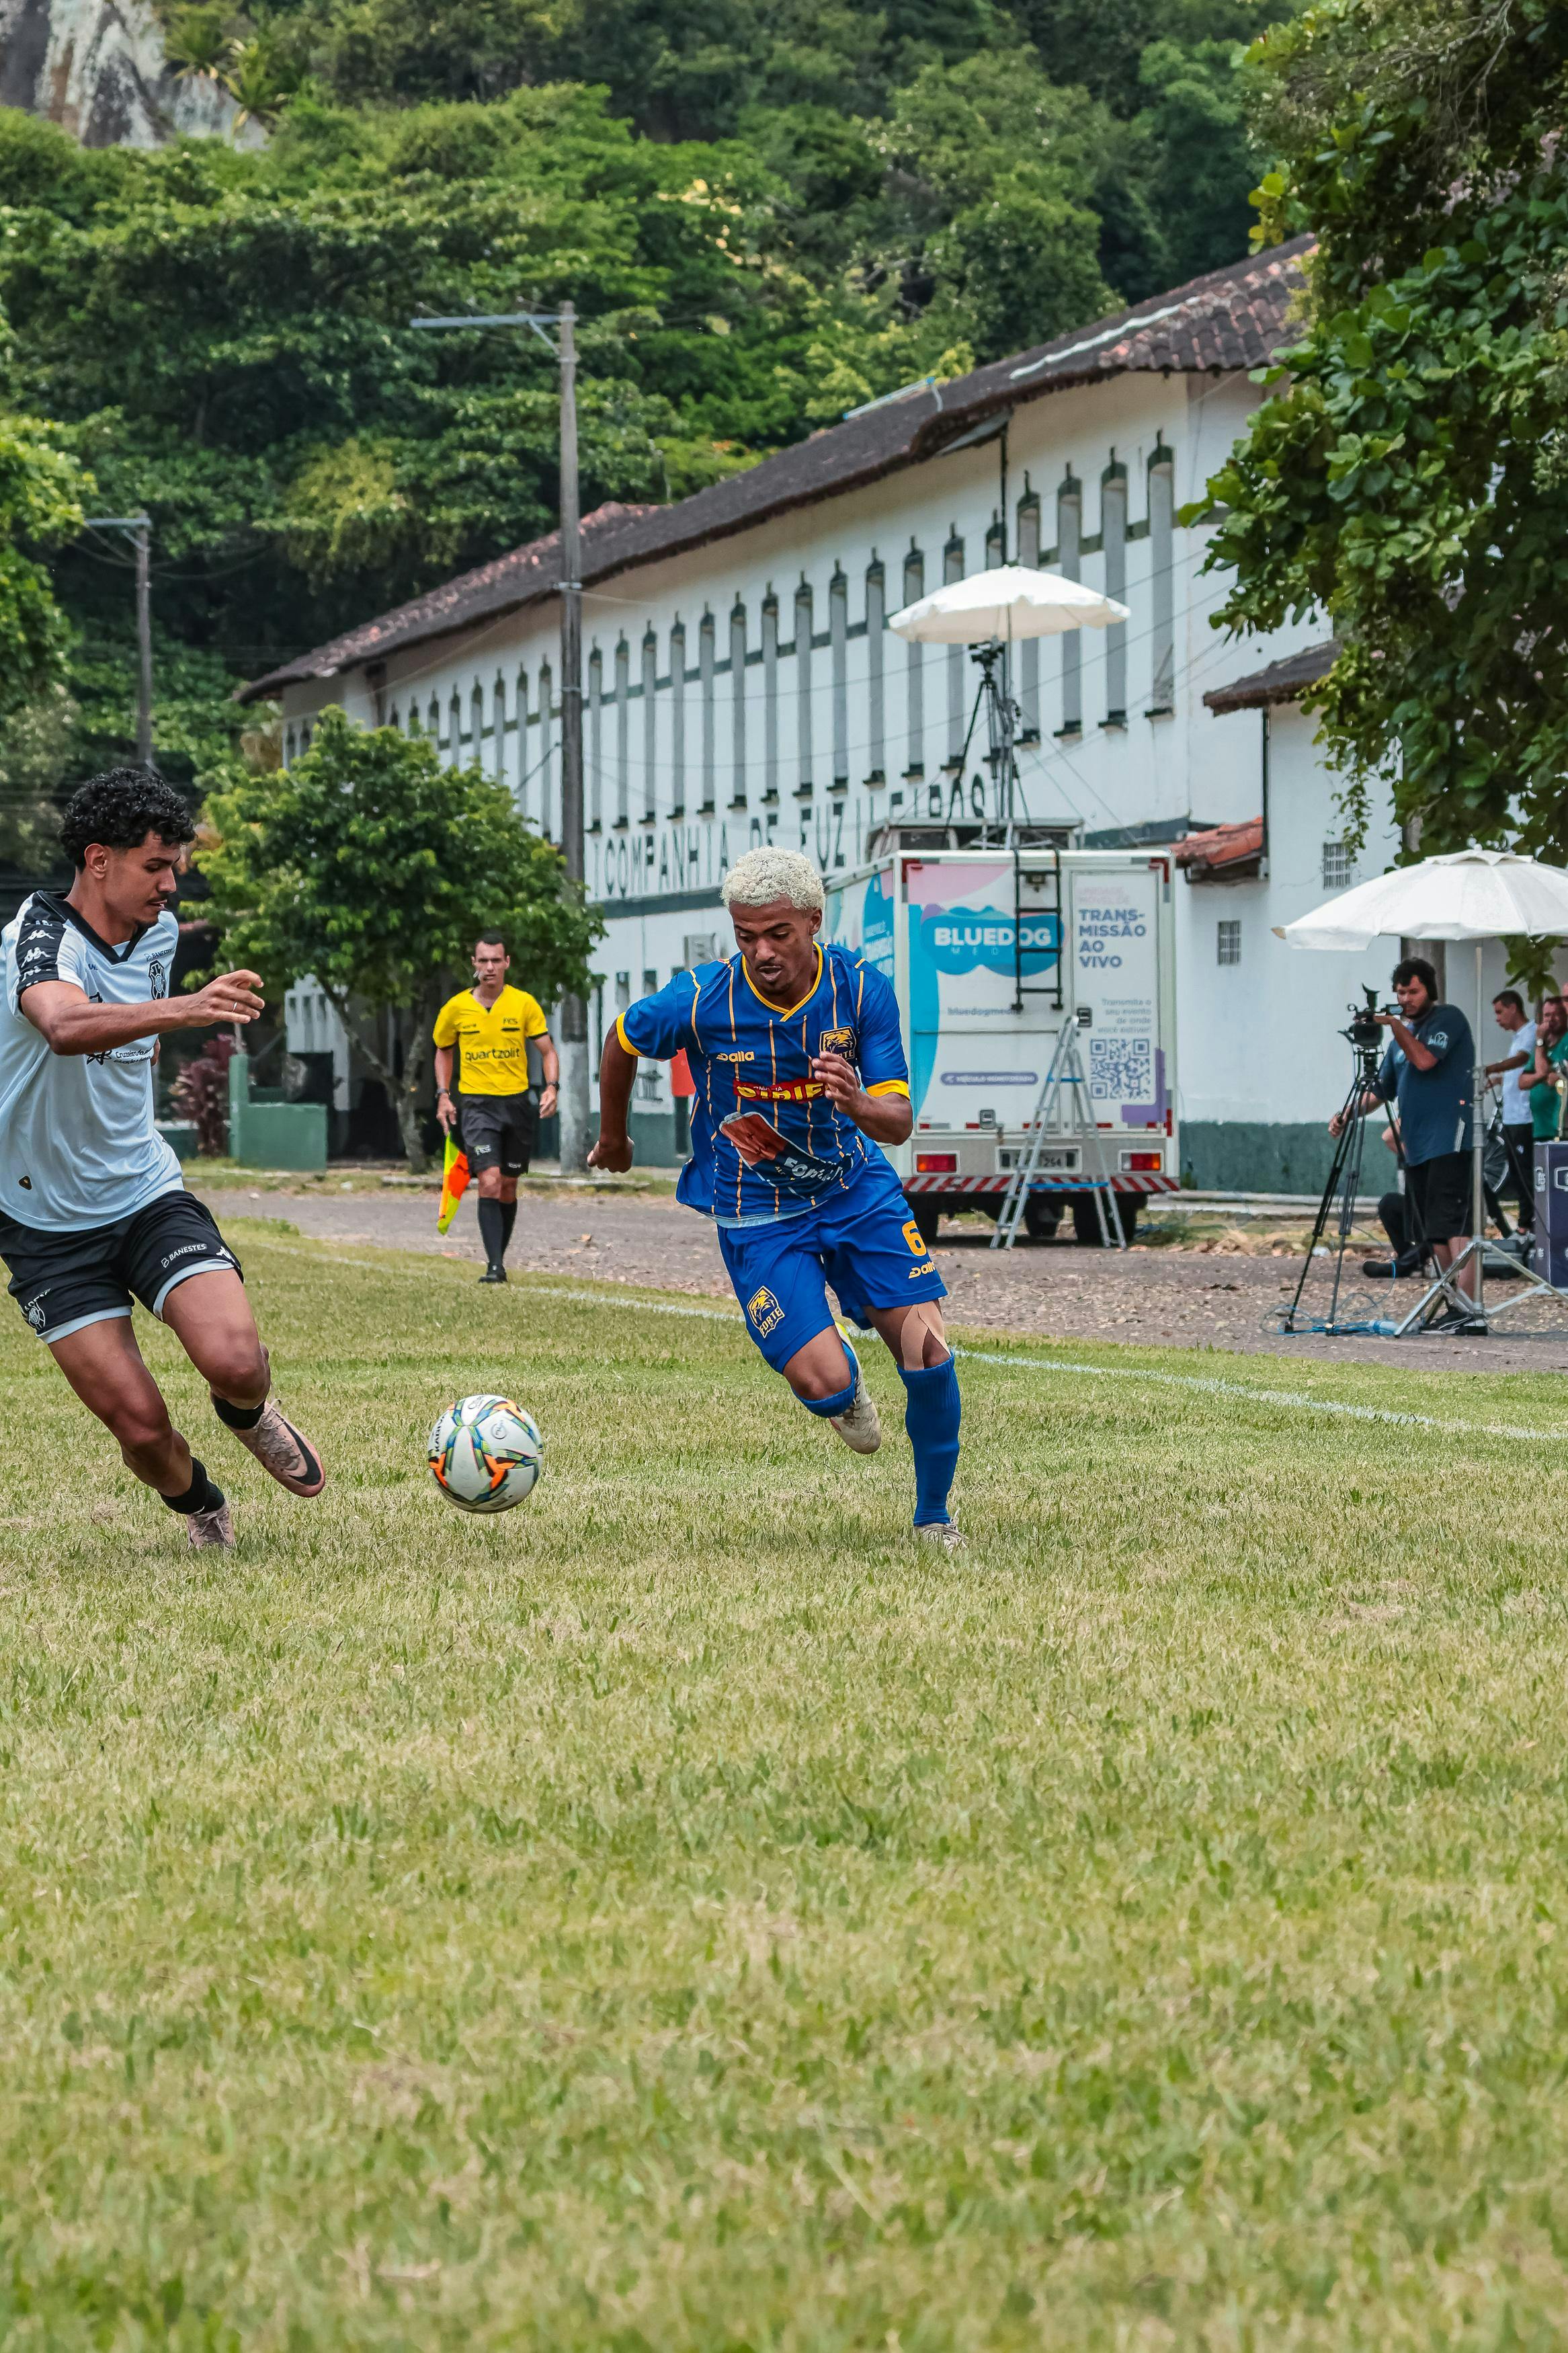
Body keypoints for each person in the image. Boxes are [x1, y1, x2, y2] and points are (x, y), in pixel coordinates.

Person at [587, 846, 965, 1551]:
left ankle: (933, 1518)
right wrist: (614, 1137)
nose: (760, 951)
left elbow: (898, 1119)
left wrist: (854, 1100)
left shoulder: (859, 992)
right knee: (824, 1381)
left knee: (929, 1350)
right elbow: (621, 1039)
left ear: (812, 921)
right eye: (744, 935)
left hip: (855, 1191)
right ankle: (841, 1392)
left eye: (777, 934)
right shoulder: (702, 999)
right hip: (757, 1212)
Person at [0, 768, 325, 1549]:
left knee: (238, 1360)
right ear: (98, 859)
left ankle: (245, 1412)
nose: (171, 884)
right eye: (156, 866)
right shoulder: (35, 938)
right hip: (44, 1224)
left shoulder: (160, 933)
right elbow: (65, 1025)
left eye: (175, 866)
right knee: (144, 1433)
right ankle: (202, 1504)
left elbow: (127, 1050)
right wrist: (188, 1007)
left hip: (144, 1193)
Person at [1333, 957, 1477, 1324]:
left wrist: (1396, 1025)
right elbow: (1381, 1090)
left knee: (1457, 1226)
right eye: (1400, 993)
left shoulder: (1447, 1019)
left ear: (1430, 989)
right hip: (1417, 1147)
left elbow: (1426, 1060)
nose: (1407, 998)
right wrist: (1348, 1112)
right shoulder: (1399, 1040)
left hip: (1450, 1139)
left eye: (1413, 991)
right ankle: (1453, 1305)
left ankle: (1471, 1311)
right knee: (1435, 1230)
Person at [433, 933, 559, 1283]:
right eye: (483, 961)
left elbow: (547, 1051)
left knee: (508, 1184)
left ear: (507, 963)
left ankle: (497, 1258)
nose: (489, 967)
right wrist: (444, 1094)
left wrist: (552, 1087)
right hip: (476, 1104)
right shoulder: (456, 1008)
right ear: (474, 964)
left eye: (496, 961)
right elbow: (443, 1050)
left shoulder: (523, 1004)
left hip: (516, 1103)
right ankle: (494, 1267)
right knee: (487, 1180)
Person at [1486, 988, 1537, 1230]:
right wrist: (1498, 1079)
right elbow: (1516, 1070)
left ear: (1513, 1008)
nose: (1497, 1019)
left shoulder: (1531, 1032)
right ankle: (1524, 1223)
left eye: (1499, 1012)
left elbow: (1522, 1060)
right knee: (1516, 1173)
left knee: (1525, 1173)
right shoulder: (1517, 1037)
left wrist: (1492, 1068)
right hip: (1511, 1116)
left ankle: (1528, 1224)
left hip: (1524, 1117)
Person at [1523, 993, 1568, 1148]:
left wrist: (1540, 1040)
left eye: (1557, 1014)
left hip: (1559, 1128)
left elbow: (1547, 1078)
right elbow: (1523, 1081)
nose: (1551, 1019)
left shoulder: (1564, 1042)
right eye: (1547, 1015)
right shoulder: (1541, 1048)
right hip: (1539, 1129)